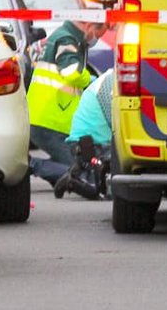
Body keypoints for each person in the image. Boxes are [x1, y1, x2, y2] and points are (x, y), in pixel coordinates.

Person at [26, 19, 107, 188]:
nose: (95, 39)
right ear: (88, 25)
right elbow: (71, 72)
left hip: (50, 118)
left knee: (74, 165)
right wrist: (92, 81)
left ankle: (54, 176)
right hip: (48, 122)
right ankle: (29, 165)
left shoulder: (68, 38)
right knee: (79, 172)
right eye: (97, 35)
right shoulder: (66, 40)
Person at [56, 68, 115, 199]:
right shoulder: (112, 86)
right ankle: (71, 181)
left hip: (88, 143)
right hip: (90, 145)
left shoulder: (110, 79)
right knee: (104, 192)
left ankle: (82, 168)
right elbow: (119, 126)